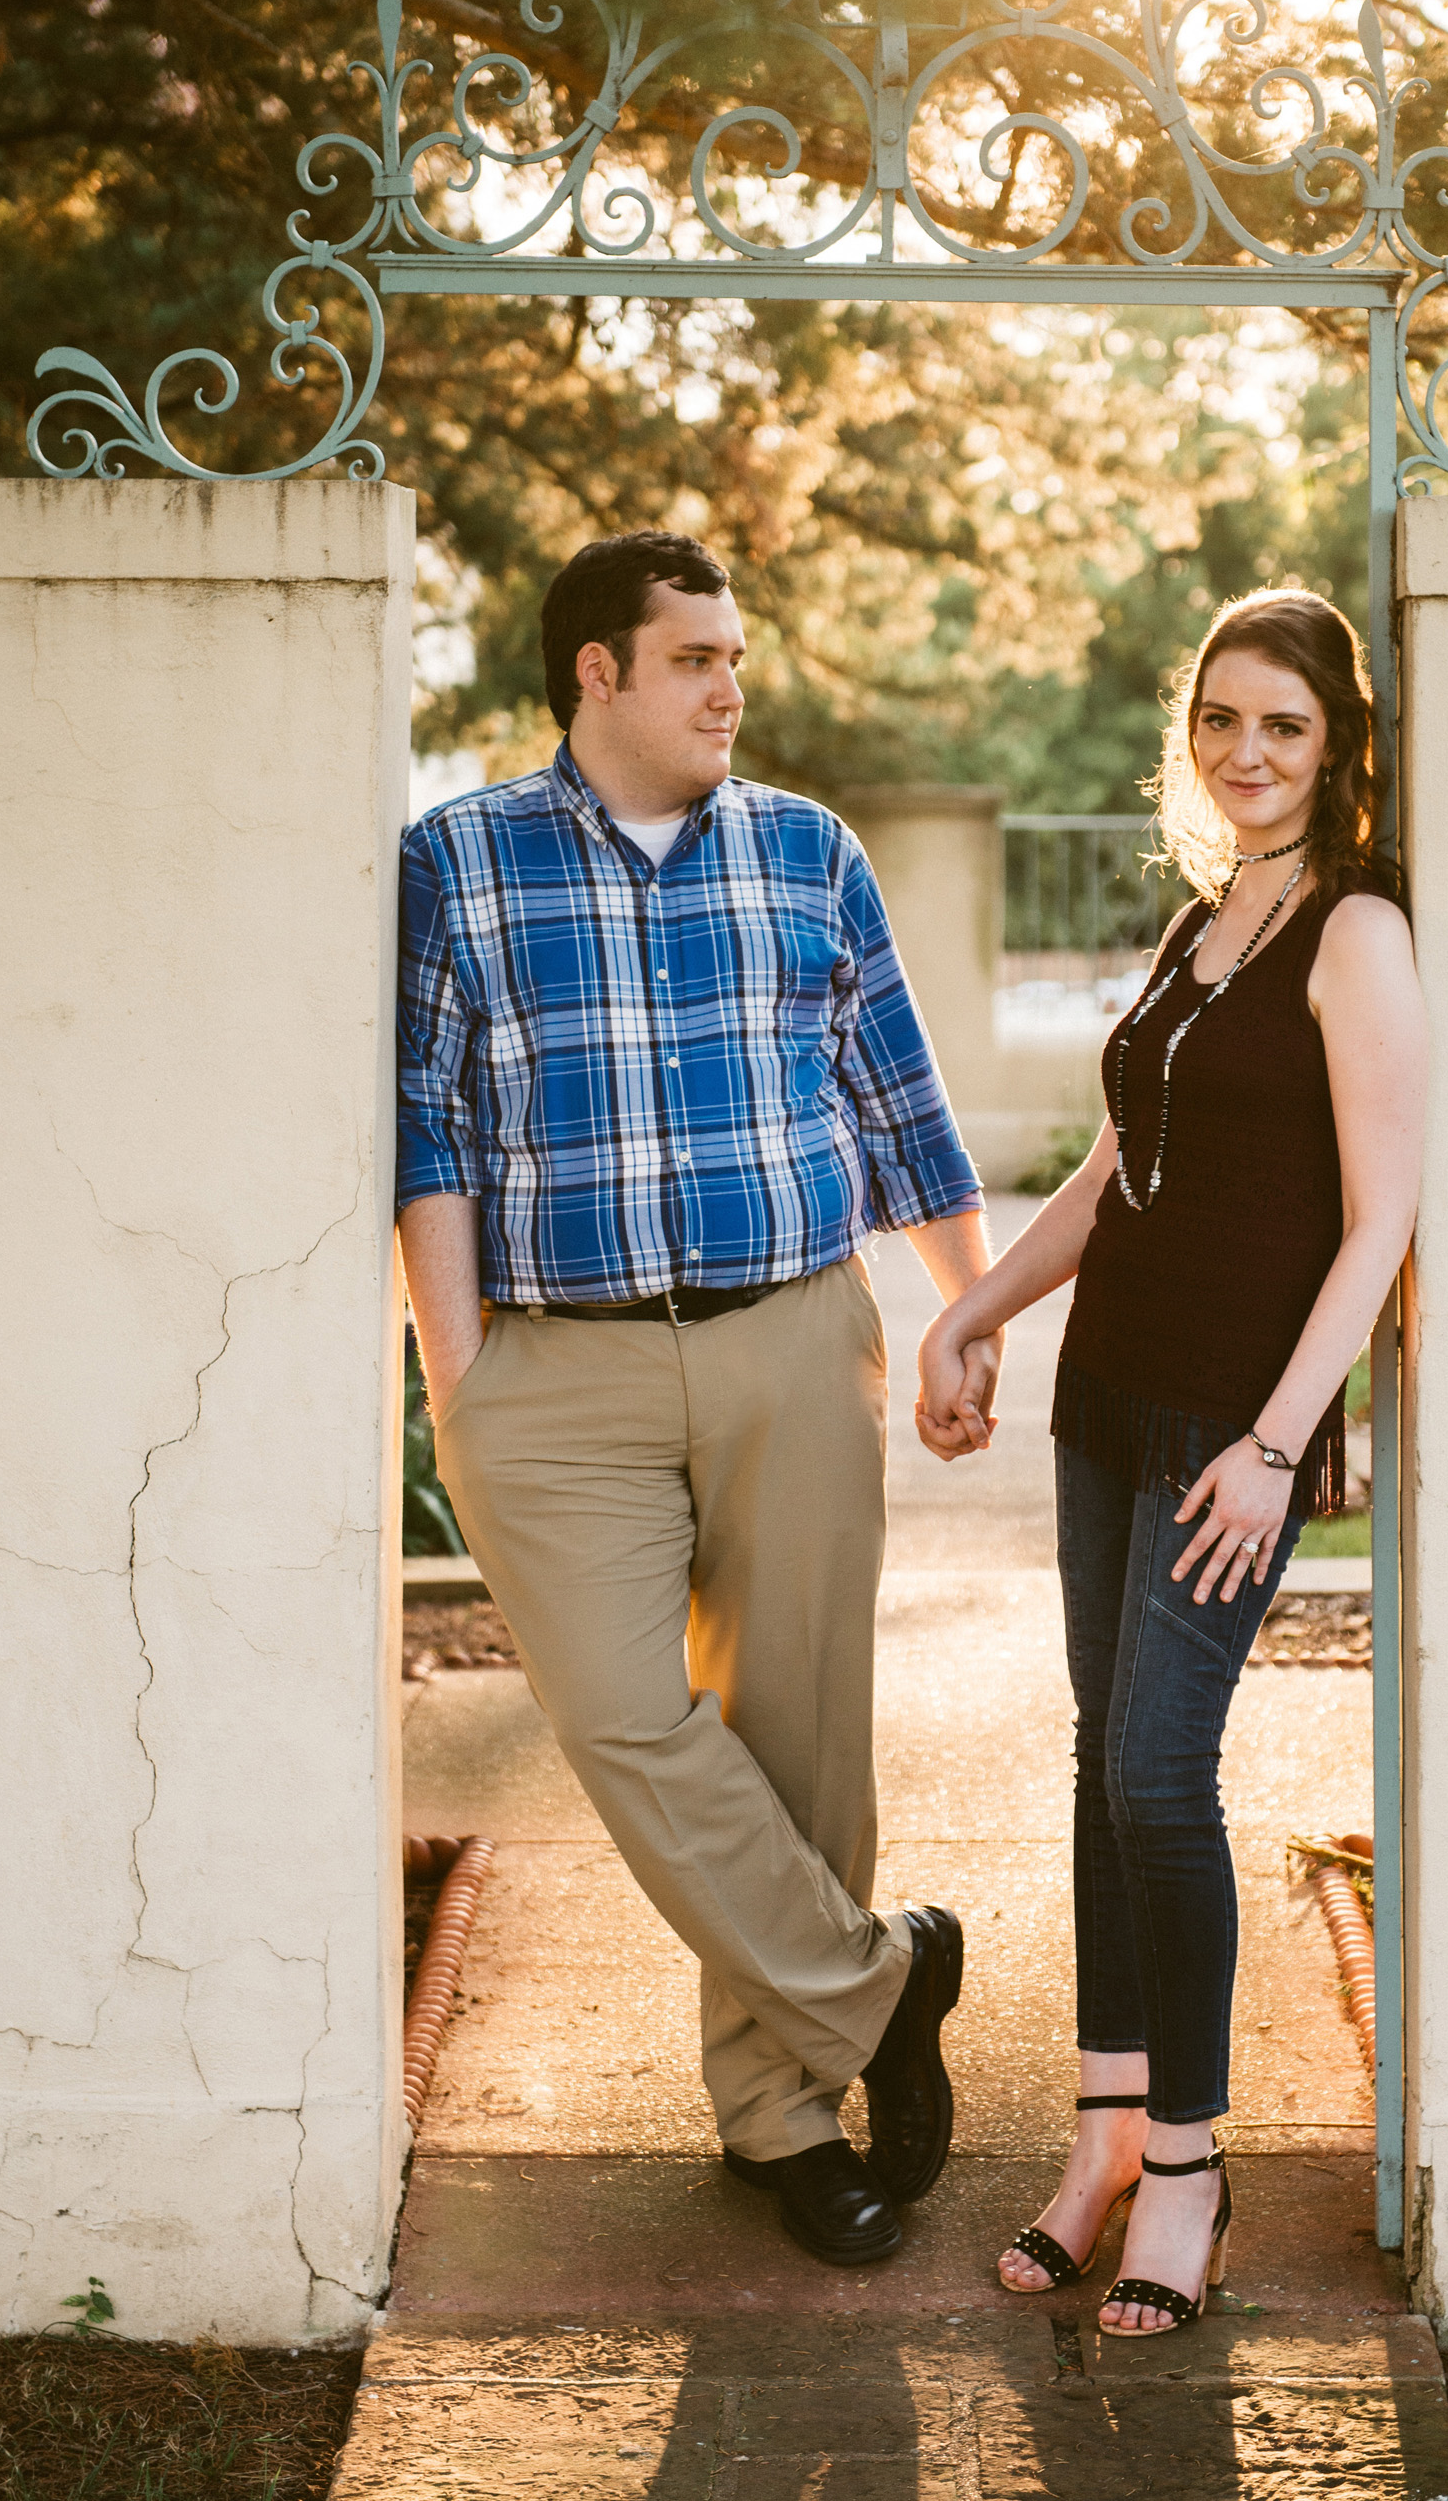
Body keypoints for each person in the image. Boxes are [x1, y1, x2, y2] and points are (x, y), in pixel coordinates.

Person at [396, 528, 998, 2269]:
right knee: (621, 1720)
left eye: (736, 656)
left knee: (802, 1738)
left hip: (794, 1339)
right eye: (696, 659)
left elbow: (898, 1097)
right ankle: (882, 1985)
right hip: (551, 1367)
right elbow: (424, 1121)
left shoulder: (808, 849)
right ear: (598, 671)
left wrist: (965, 1311)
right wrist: (458, 1370)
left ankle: (781, 2119)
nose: (732, 686)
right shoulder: (459, 860)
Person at [916, 586, 1427, 2337]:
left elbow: (1382, 1220)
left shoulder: (1355, 930)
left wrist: (1282, 1443)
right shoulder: (1205, 919)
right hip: (1106, 1392)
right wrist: (973, 1309)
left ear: (1337, 744)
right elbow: (1110, 1171)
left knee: (1156, 1772)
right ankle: (1107, 2137)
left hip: (1230, 1425)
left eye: (1284, 723)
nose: (1246, 751)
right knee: (1098, 1768)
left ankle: (1192, 2168)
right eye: (1221, 720)